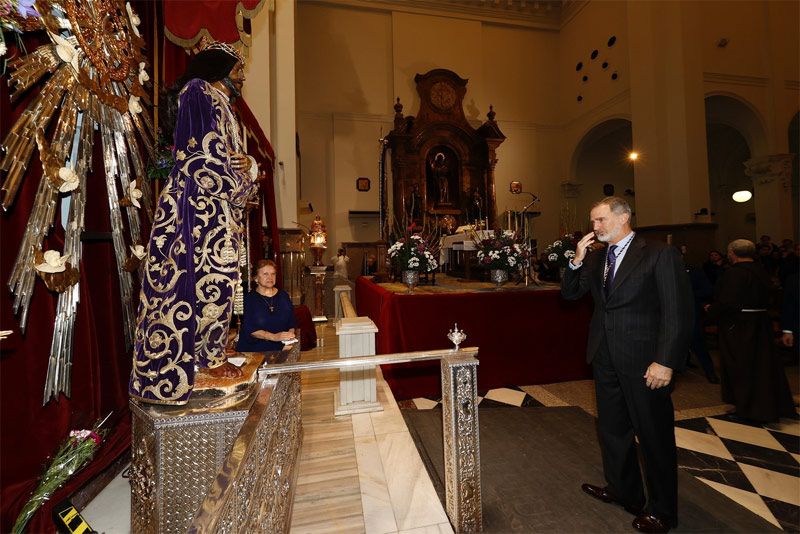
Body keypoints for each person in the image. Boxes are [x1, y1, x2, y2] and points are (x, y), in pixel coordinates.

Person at [129, 41, 259, 405]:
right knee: (203, 279)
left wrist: (246, 167)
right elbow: (197, 155)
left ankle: (209, 354)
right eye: (238, 70)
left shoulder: (223, 104)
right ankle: (201, 361)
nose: (243, 76)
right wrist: (242, 180)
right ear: (218, 69)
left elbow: (233, 159)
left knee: (218, 279)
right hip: (195, 208)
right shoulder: (199, 91)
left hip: (216, 209)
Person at [562, 197, 692, 534]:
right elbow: (570, 295)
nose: (595, 228)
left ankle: (663, 511)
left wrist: (665, 361)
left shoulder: (659, 254)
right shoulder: (596, 258)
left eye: (601, 220)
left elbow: (677, 312)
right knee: (613, 430)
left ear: (624, 217)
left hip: (645, 361)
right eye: (593, 221)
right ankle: (624, 491)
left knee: (653, 436)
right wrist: (576, 260)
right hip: (605, 356)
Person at [704, 240, 795, 423]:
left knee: (742, 367)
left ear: (732, 254)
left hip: (740, 326)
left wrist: (710, 310)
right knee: (762, 367)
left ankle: (747, 409)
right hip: (761, 324)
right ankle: (768, 405)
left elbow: (728, 302)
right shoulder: (761, 270)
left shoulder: (734, 273)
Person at [237, 260, 297, 354]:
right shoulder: (249, 299)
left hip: (282, 346)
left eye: (273, 274)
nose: (270, 277)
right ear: (256, 278)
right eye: (265, 274)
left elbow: (291, 322)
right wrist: (274, 337)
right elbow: (250, 329)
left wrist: (289, 338)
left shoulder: (283, 296)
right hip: (255, 350)